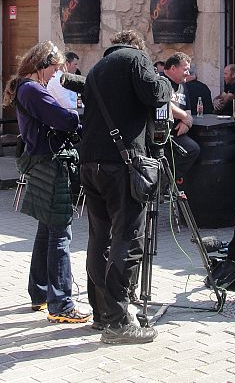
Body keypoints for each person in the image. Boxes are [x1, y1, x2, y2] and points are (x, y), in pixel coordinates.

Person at [79, 29, 170, 344]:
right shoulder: (135, 59)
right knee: (127, 240)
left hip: (90, 164)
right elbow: (155, 95)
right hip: (122, 165)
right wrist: (165, 81)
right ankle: (118, 322)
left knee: (98, 239)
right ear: (138, 47)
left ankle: (102, 313)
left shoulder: (95, 70)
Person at [3, 41, 88, 324]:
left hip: (41, 162)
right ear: (41, 65)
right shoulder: (32, 90)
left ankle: (39, 293)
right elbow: (64, 119)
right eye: (53, 68)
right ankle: (61, 304)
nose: (55, 74)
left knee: (46, 230)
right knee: (60, 234)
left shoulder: (27, 88)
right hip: (50, 164)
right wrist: (75, 117)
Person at [162, 53, 201, 183]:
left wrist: (186, 123)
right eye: (185, 69)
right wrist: (185, 117)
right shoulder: (160, 81)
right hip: (161, 133)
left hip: (178, 131)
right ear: (173, 68)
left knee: (193, 149)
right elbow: (164, 105)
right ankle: (165, 182)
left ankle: (168, 181)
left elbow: (188, 109)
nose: (187, 73)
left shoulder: (183, 85)